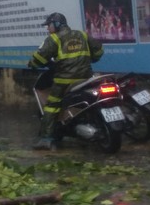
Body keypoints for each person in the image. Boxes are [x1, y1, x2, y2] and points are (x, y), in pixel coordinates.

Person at [28, 12, 103, 151]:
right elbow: (99, 50)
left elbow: (39, 58)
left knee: (51, 105)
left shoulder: (54, 39)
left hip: (64, 80)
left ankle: (46, 139)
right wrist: (92, 59)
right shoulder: (82, 34)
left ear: (56, 24)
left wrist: (32, 64)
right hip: (86, 77)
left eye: (49, 25)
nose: (47, 28)